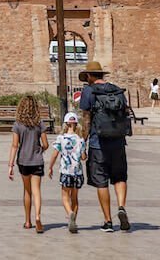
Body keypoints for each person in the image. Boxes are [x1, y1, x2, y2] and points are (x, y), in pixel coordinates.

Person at [79, 61, 131, 232]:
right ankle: (121, 206)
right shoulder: (117, 90)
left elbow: (86, 119)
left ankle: (108, 221)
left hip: (97, 143)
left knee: (101, 181)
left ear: (89, 76)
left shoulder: (89, 91)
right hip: (118, 142)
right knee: (120, 177)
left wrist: (83, 142)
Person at [8, 93, 49, 233]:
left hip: (23, 161)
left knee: (27, 191)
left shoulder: (17, 124)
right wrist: (39, 150)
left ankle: (27, 221)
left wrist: (10, 165)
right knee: (37, 191)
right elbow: (46, 144)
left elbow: (14, 145)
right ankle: (37, 217)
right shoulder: (40, 123)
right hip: (37, 160)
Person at [48, 111, 86, 234]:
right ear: (76, 124)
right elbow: (83, 157)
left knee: (65, 197)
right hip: (78, 172)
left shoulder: (61, 138)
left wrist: (50, 167)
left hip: (66, 171)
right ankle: (73, 219)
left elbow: (54, 155)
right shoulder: (80, 140)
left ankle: (69, 213)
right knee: (74, 198)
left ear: (65, 124)